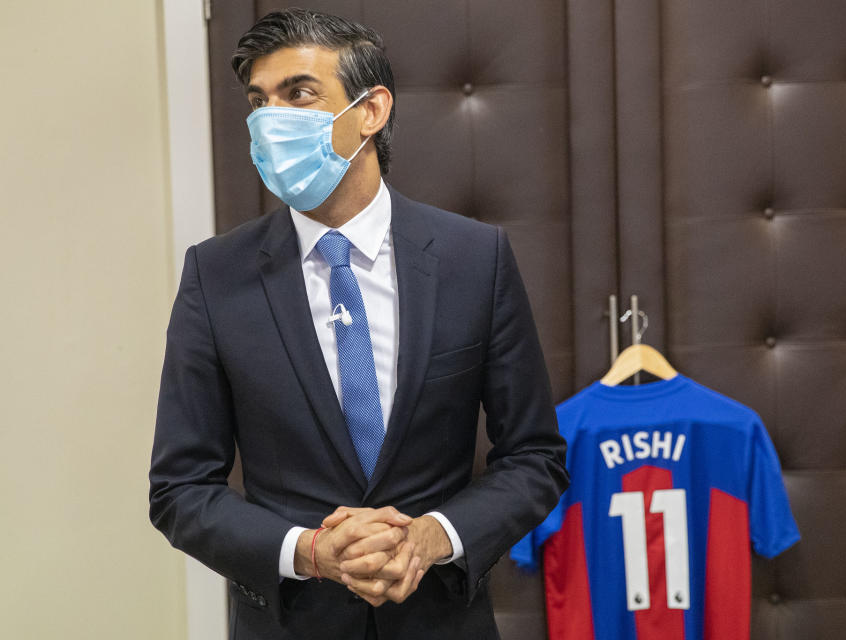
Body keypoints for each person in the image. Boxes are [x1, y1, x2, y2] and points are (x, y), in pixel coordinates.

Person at [148, 8, 568, 640]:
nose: (271, 120)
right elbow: (179, 489)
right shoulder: (215, 275)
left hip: (443, 621)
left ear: (371, 111)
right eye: (258, 101)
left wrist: (433, 538)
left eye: (299, 94)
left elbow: (535, 457)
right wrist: (309, 552)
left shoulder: (473, 259)